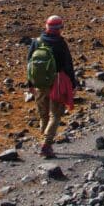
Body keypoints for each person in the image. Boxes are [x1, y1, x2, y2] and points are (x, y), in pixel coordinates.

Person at [27, 15, 77, 158]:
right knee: (55, 115)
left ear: (46, 26)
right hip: (57, 83)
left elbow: (29, 64)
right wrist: (73, 84)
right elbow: (68, 65)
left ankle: (45, 142)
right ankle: (46, 145)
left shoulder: (36, 42)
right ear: (59, 28)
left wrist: (30, 83)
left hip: (39, 84)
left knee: (43, 115)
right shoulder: (60, 43)